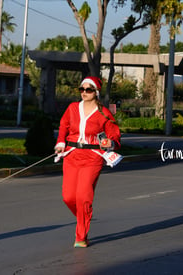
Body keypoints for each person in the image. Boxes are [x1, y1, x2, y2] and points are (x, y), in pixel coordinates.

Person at [54, 76, 121, 248]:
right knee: (68, 197)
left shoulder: (103, 113)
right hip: (71, 155)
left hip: (92, 157)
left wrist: (110, 143)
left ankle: (81, 236)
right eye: (81, 89)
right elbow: (63, 125)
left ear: (96, 92)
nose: (84, 92)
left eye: (88, 90)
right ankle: (83, 217)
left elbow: (114, 136)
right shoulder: (72, 108)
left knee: (83, 196)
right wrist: (61, 142)